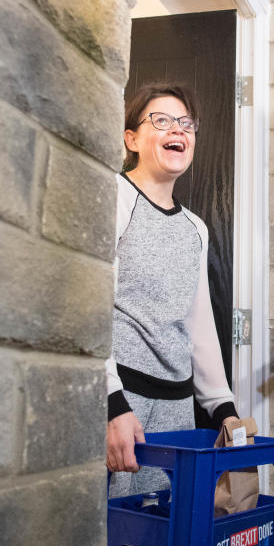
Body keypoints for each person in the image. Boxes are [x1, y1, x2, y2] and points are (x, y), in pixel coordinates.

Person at [105, 82, 238, 498]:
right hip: (122, 400)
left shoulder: (195, 228)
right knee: (108, 540)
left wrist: (223, 407)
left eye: (185, 123)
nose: (176, 130)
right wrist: (110, 404)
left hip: (177, 410)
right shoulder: (116, 196)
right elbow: (87, 308)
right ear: (132, 139)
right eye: (160, 121)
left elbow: (198, 325)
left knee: (159, 537)